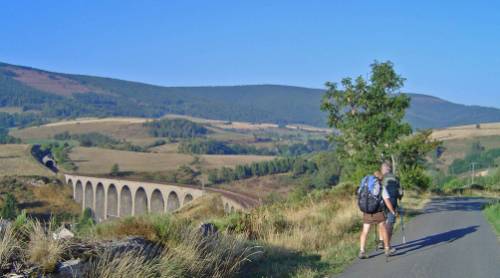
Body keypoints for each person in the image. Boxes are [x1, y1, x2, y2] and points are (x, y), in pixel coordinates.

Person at [358, 170, 398, 259]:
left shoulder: (365, 186)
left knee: (365, 231)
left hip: (367, 212)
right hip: (378, 212)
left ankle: (362, 251)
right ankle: (387, 249)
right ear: (381, 178)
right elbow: (387, 201)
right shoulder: (380, 187)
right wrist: (392, 211)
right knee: (383, 228)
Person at [376, 161, 404, 250]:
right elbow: (400, 192)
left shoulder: (379, 178)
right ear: (389, 169)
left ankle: (381, 241)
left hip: (381, 204)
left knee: (382, 222)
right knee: (390, 224)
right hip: (392, 203)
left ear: (383, 169)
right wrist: (400, 197)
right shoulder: (396, 178)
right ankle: (387, 243)